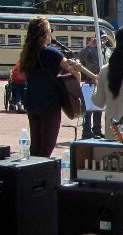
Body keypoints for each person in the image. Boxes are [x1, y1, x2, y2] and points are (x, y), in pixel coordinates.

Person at [19, 16, 81, 157]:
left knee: (35, 146)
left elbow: (24, 75)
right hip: (49, 103)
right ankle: (41, 176)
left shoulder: (27, 54)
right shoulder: (51, 52)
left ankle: (31, 174)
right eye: (50, 30)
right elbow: (74, 73)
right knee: (47, 147)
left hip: (32, 102)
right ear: (45, 33)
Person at [78, 37, 103, 139]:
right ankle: (86, 131)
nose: (103, 41)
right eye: (101, 38)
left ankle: (97, 130)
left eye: (105, 39)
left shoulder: (106, 50)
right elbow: (80, 57)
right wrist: (89, 46)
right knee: (88, 109)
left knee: (99, 107)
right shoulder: (90, 49)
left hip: (101, 81)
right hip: (90, 81)